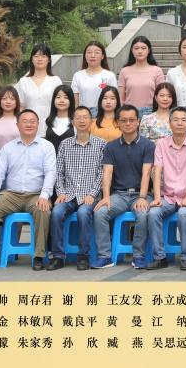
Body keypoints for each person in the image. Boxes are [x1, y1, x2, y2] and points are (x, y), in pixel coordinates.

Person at [0, 109, 56, 271]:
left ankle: (38, 256)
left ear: (38, 125)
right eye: (25, 121)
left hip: (36, 194)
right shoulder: (8, 148)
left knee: (43, 210)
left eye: (32, 121)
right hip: (11, 194)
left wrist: (45, 195)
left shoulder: (46, 146)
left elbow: (51, 173)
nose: (29, 124)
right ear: (18, 125)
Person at [90, 105, 155, 269]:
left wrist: (142, 197)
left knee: (142, 214)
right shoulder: (111, 147)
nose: (128, 123)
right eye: (124, 120)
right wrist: (106, 197)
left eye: (131, 120)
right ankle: (105, 256)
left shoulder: (148, 145)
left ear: (138, 121)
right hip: (119, 195)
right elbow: (107, 173)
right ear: (117, 123)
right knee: (100, 212)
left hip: (141, 194)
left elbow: (147, 172)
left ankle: (138, 256)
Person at [47, 106, 105, 271]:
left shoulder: (101, 144)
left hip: (90, 195)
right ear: (72, 121)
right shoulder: (65, 144)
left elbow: (102, 173)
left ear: (91, 121)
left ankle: (83, 256)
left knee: (83, 213)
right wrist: (61, 192)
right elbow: (59, 172)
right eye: (78, 118)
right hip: (69, 195)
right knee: (56, 212)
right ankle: (58, 256)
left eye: (85, 117)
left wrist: (92, 194)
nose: (81, 121)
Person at [147, 107, 186, 271]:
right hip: (169, 196)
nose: (180, 123)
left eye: (184, 120)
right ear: (169, 123)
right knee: (153, 213)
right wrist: (157, 197)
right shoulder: (162, 144)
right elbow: (157, 171)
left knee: (184, 213)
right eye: (176, 120)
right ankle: (160, 257)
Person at [14, 43, 63, 138]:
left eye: (43, 56)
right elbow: (20, 107)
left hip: (52, 128)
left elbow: (61, 105)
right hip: (29, 129)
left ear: (49, 60)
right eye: (36, 56)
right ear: (32, 59)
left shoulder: (55, 80)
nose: (39, 59)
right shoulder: (23, 81)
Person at [118, 35, 165, 117]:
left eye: (143, 48)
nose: (140, 51)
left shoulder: (157, 71)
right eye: (136, 48)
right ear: (132, 50)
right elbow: (121, 98)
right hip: (129, 112)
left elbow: (161, 94)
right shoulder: (124, 71)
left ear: (149, 50)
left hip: (151, 112)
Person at [70, 41, 117, 116]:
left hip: (103, 114)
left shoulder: (110, 75)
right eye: (89, 52)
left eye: (97, 52)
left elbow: (114, 99)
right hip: (83, 115)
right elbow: (75, 101)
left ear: (102, 56)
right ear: (85, 56)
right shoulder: (78, 75)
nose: (92, 55)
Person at [44, 84, 75, 151]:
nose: (62, 100)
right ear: (53, 100)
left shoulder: (76, 122)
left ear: (71, 101)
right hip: (50, 157)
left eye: (66, 97)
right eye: (58, 97)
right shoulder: (47, 121)